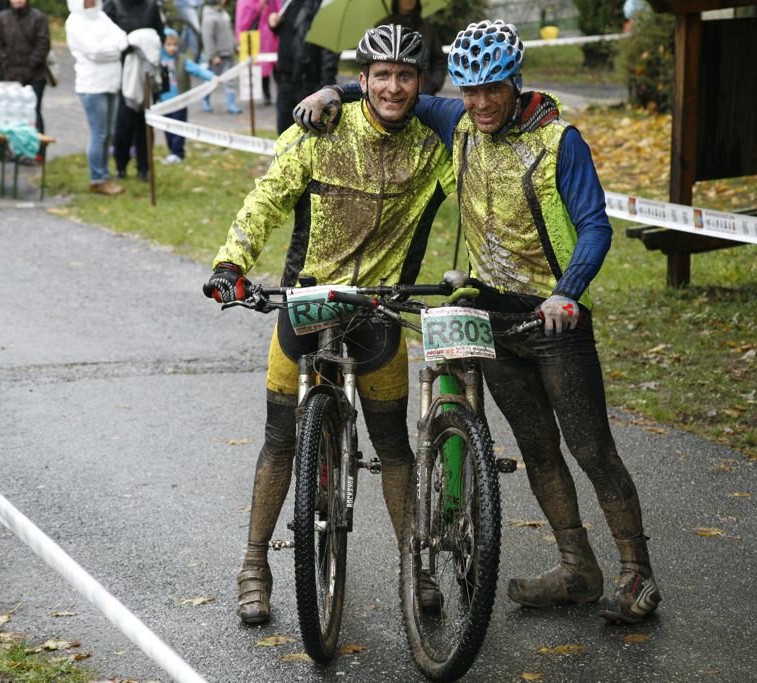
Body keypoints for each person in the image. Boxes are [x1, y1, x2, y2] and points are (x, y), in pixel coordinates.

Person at [295, 19, 662, 625]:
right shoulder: (455, 119)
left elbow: (596, 226)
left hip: (554, 320)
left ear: (515, 81)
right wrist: (335, 90)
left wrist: (568, 293)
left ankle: (637, 574)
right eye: (469, 90)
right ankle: (578, 569)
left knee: (592, 448)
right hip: (492, 312)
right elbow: (394, 90)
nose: (481, 102)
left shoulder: (558, 141)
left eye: (493, 88)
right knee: (537, 450)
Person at [202, 25, 454, 626]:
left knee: (395, 446)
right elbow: (267, 197)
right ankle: (254, 563)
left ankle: (414, 565)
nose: (393, 87)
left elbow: (475, 197)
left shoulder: (432, 148)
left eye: (405, 76)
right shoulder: (320, 129)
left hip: (379, 308)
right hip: (308, 299)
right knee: (280, 436)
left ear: (420, 84)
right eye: (381, 76)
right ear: (362, 81)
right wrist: (231, 263)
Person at [65, 0, 127, 195]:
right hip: (92, 86)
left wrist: (113, 47)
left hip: (111, 82)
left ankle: (105, 174)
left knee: (109, 132)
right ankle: (97, 178)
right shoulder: (74, 22)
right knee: (98, 133)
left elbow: (122, 38)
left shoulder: (101, 16)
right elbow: (94, 52)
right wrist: (114, 49)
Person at [103, 0, 163, 181]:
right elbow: (106, 36)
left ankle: (144, 167)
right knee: (124, 124)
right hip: (123, 73)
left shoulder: (151, 6)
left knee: (145, 124)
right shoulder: (113, 5)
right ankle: (121, 165)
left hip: (146, 74)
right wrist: (127, 47)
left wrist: (147, 48)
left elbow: (160, 34)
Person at [267, 0, 337, 134]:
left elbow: (329, 48)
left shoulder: (321, 5)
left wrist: (327, 88)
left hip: (307, 81)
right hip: (285, 79)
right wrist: (274, 26)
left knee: (306, 135)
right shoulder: (289, 3)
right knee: (284, 133)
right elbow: (290, 33)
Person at [0, 0, 50, 134]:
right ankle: (12, 151)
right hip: (10, 74)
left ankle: (38, 150)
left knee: (34, 112)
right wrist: (6, 62)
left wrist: (31, 65)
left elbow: (43, 44)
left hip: (35, 75)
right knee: (9, 113)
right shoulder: (2, 17)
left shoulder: (38, 17)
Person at [158, 26, 214, 164]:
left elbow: (197, 70)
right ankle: (172, 151)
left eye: (175, 44)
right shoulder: (157, 61)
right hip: (164, 102)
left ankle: (178, 152)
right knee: (167, 128)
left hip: (180, 101)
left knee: (179, 128)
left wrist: (212, 77)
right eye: (169, 44)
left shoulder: (182, 60)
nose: (172, 48)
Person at [376, 0, 445, 95]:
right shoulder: (382, 27)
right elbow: (375, 63)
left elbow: (439, 61)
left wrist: (433, 84)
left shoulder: (427, 29)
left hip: (425, 95)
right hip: (392, 95)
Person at [200, 0, 241, 114]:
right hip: (217, 56)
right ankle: (205, 100)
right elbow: (207, 38)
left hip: (228, 53)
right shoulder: (209, 17)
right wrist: (213, 55)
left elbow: (229, 32)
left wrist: (235, 46)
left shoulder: (224, 14)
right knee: (211, 80)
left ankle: (231, 104)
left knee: (230, 80)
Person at [234, 0, 278, 106]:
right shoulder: (245, 2)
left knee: (276, 64)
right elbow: (244, 18)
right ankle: (266, 94)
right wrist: (260, 5)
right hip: (255, 37)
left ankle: (281, 92)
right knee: (261, 67)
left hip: (271, 36)